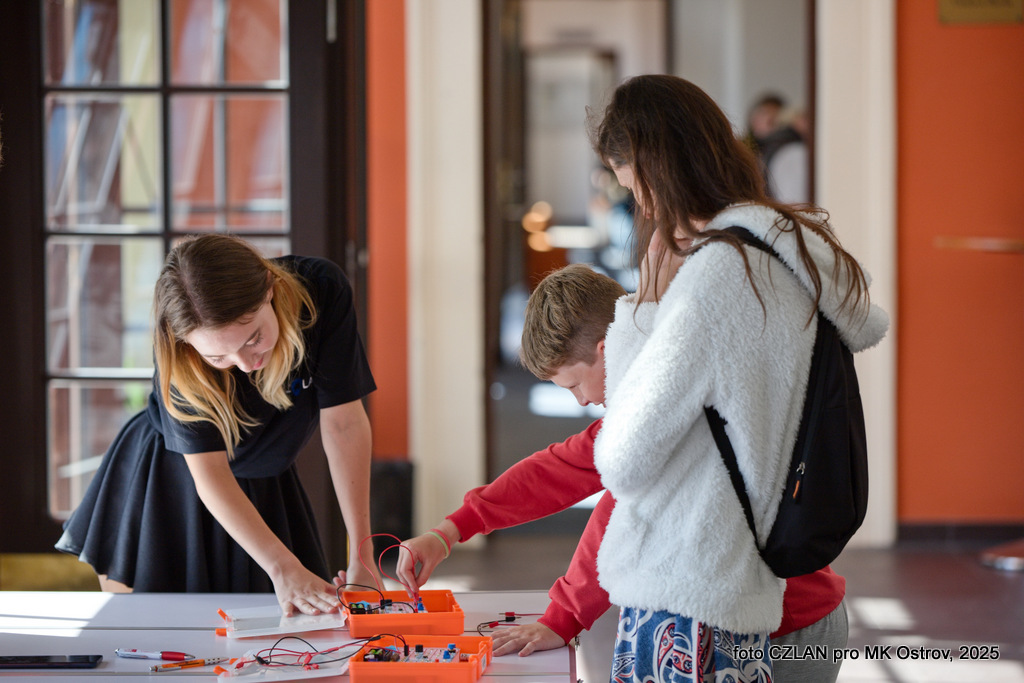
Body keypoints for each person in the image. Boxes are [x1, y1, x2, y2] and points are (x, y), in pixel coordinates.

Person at [397, 263, 856, 682]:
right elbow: (556, 469)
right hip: (762, 619)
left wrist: (563, 618)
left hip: (789, 631)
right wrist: (450, 531)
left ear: (604, 351)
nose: (580, 400)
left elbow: (620, 518)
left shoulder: (668, 407)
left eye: (574, 384)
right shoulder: (658, 390)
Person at [589, 74, 888, 681]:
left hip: (699, 600)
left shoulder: (717, 278)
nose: (645, 210)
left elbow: (623, 458)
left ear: (654, 168)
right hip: (791, 589)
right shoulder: (794, 247)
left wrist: (644, 309)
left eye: (636, 189)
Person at [56, 234, 380, 616]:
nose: (245, 364)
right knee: (158, 629)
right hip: (171, 480)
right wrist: (281, 567)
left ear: (270, 289)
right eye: (218, 356)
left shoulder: (321, 290)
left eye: (254, 338)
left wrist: (363, 555)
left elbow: (344, 424)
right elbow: (209, 472)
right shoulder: (178, 355)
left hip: (266, 476)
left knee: (285, 631)